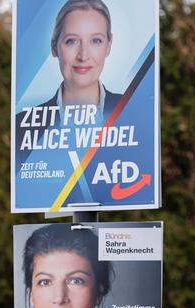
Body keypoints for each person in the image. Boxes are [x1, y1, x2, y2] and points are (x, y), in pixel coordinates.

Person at [15, 0, 123, 204]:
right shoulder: (23, 127)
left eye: (96, 41)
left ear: (109, 45)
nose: (83, 55)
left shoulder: (130, 113)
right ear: (55, 47)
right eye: (72, 41)